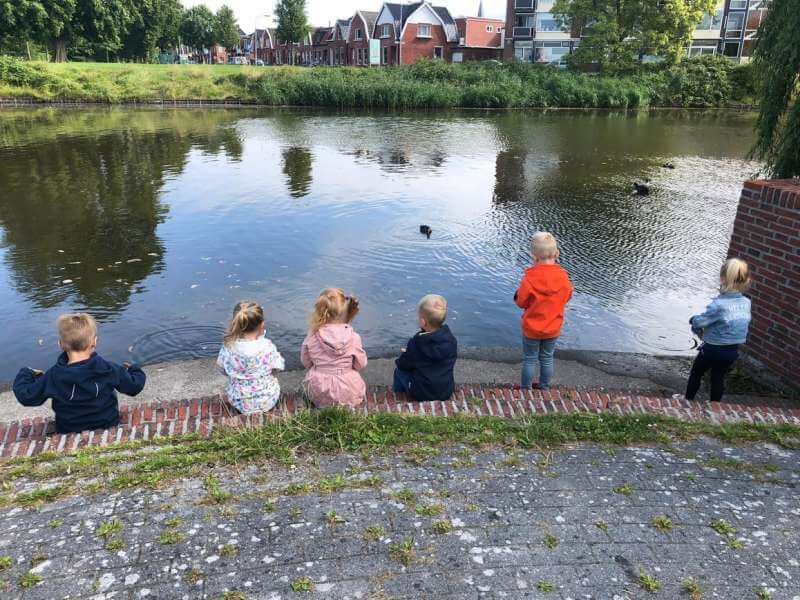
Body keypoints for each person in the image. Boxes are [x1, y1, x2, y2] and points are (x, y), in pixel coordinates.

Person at [12, 313, 146, 434]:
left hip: (68, 430)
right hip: (108, 424)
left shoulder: (54, 375)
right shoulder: (108, 368)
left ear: (60, 344)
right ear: (94, 342)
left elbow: (27, 396)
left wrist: (26, 373)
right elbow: (134, 386)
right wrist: (135, 369)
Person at [684, 258, 751, 402]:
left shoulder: (719, 305)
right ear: (745, 280)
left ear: (722, 279)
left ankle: (688, 401)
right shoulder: (746, 303)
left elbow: (701, 321)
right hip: (732, 351)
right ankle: (715, 406)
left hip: (712, 349)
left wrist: (693, 320)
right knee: (718, 377)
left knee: (696, 373)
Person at [514, 232, 573, 390]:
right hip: (553, 327)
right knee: (547, 358)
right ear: (557, 253)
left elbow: (521, 302)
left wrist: (518, 297)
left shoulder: (530, 278)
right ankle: (544, 387)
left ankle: (526, 389)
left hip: (532, 328)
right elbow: (568, 295)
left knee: (529, 359)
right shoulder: (563, 277)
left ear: (533, 256)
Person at [301, 288, 367, 407]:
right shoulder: (353, 337)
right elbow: (360, 365)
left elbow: (306, 362)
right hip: (349, 391)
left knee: (311, 377)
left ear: (319, 312)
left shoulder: (312, 336)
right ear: (345, 311)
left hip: (320, 391)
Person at [216, 301, 285, 414]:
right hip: (267, 400)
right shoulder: (267, 346)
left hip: (239, 402)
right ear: (262, 324)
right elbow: (277, 368)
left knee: (232, 384)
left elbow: (221, 369)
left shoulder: (228, 346)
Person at [393, 294, 458, 401]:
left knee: (399, 371)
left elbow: (403, 364)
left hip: (422, 393)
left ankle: (398, 396)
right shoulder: (451, 340)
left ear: (423, 322)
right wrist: (413, 353)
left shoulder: (417, 343)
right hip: (445, 390)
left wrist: (407, 353)